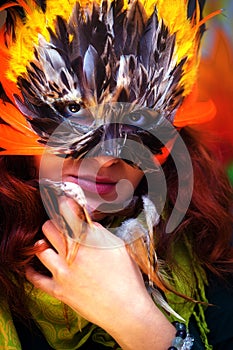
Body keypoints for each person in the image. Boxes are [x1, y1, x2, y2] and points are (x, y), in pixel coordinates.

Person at [0, 0, 233, 349]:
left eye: (140, 117)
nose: (108, 158)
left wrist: (139, 323)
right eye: (73, 109)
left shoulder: (212, 239)